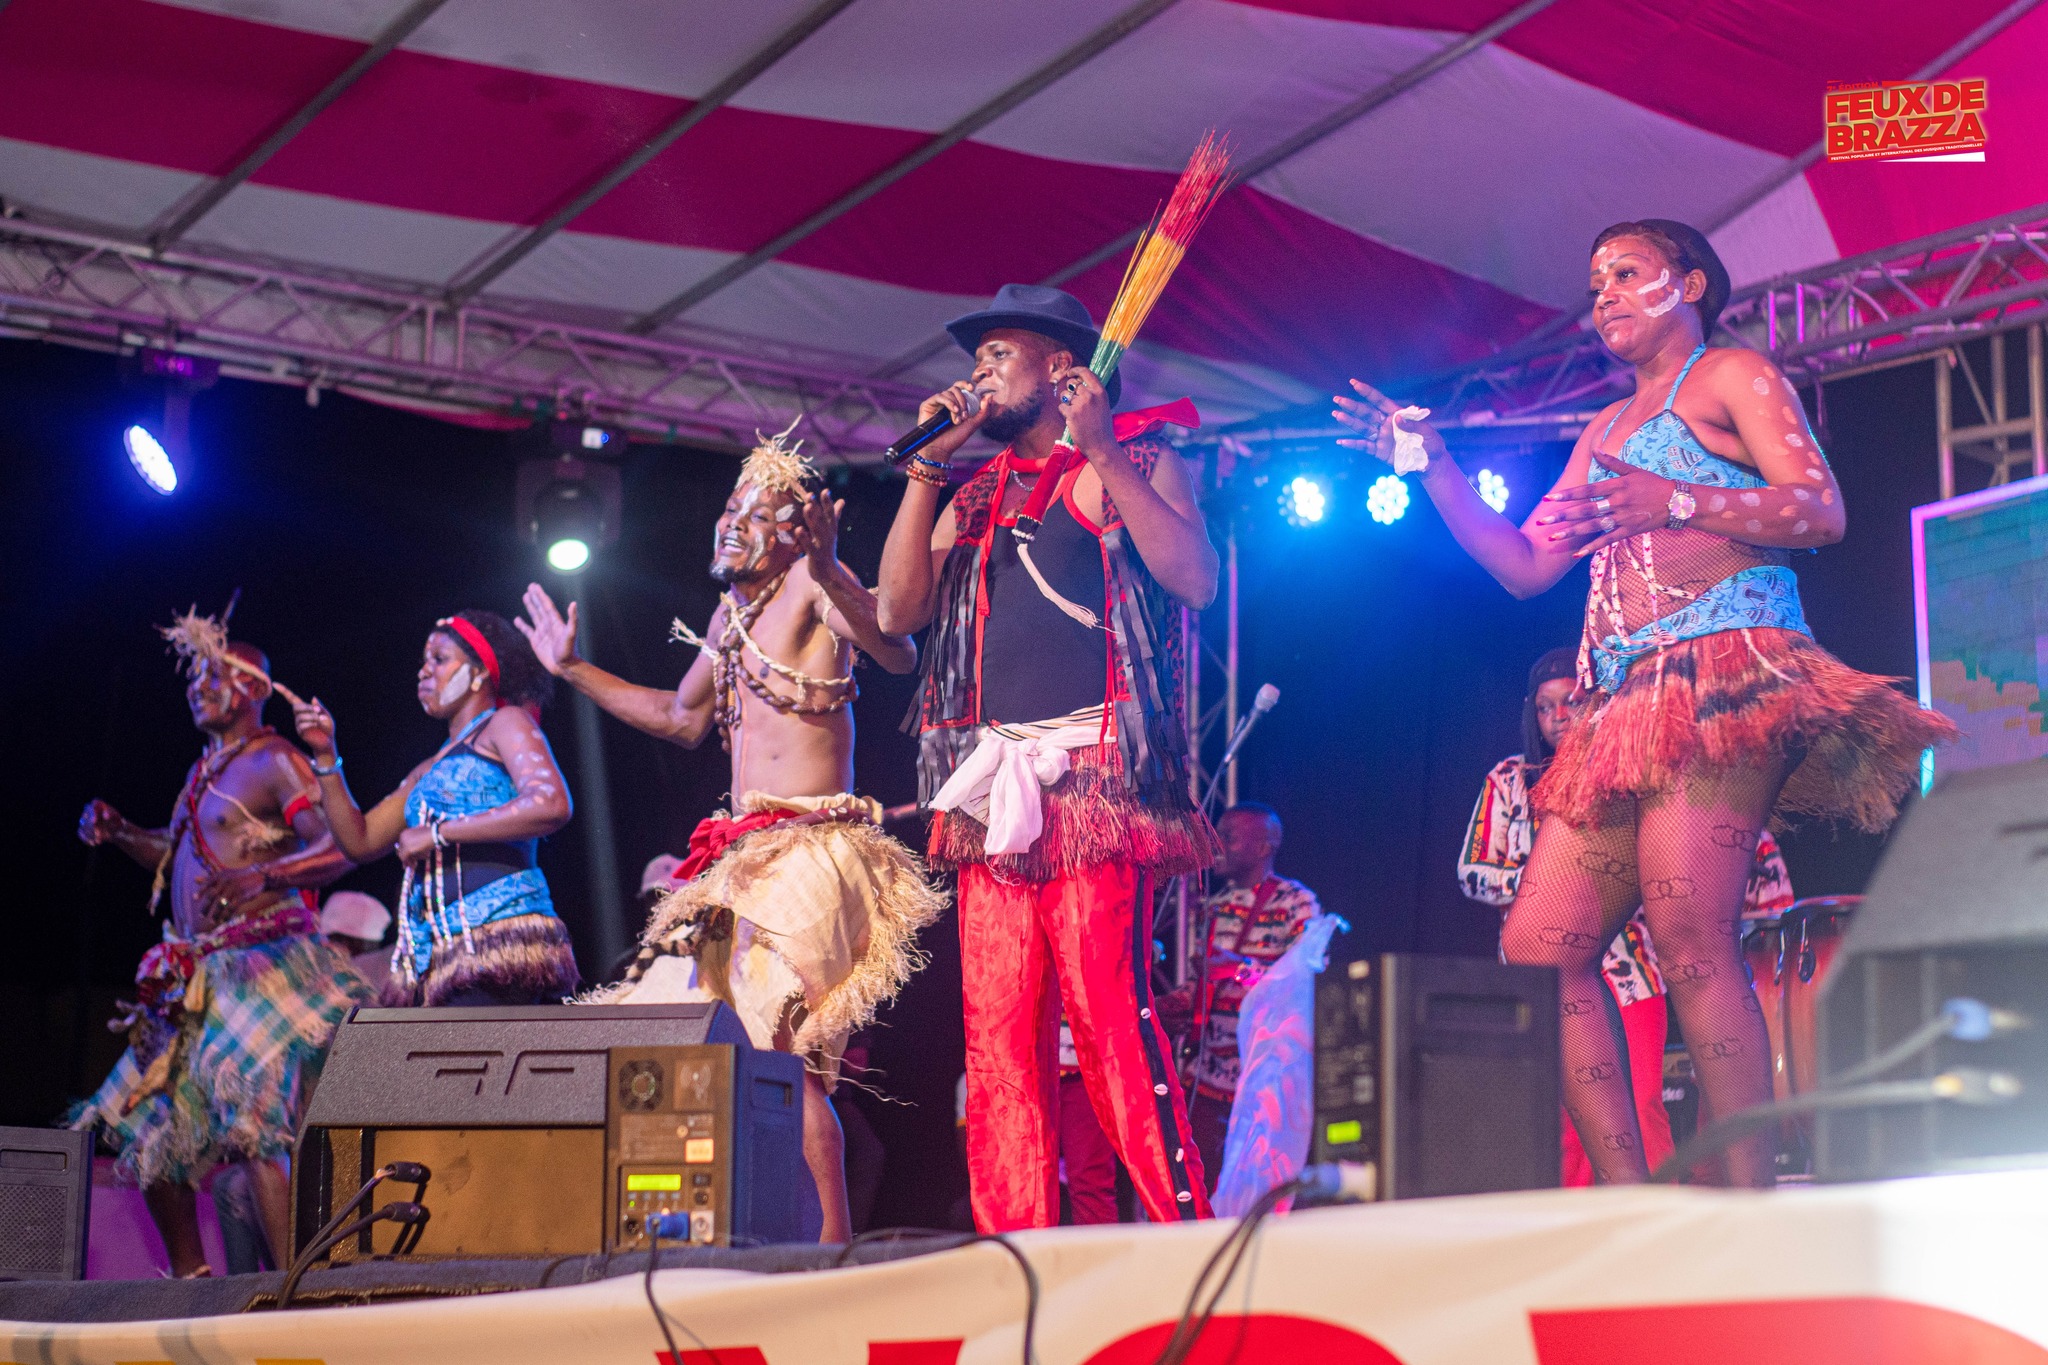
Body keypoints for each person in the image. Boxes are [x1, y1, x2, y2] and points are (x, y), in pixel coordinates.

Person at [1336, 219, 1955, 1185]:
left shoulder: (1733, 375)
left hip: (1725, 674)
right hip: (1620, 702)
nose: (1607, 296)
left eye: (1628, 273)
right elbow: (1525, 565)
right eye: (1596, 285)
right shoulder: (1600, 431)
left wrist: (1677, 500)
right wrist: (1437, 470)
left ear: (1692, 283)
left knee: (1688, 932)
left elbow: (1820, 509)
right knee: (1540, 944)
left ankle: (1748, 1200)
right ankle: (1636, 1202)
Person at [518, 428, 943, 1244]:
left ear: (794, 531)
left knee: (778, 1047)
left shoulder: (813, 584)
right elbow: (680, 717)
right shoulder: (729, 615)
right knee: (689, 1037)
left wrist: (828, 567)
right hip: (743, 859)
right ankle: (700, 1240)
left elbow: (896, 651)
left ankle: (828, 1256)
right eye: (729, 508)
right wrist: (571, 669)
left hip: (814, 850)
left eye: (757, 513)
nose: (732, 523)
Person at [875, 283, 1220, 1230]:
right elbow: (897, 611)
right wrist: (925, 468)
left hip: (1093, 780)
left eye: (999, 355)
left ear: (1061, 368)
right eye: (976, 359)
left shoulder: (1133, 460)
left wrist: (1100, 444)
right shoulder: (976, 494)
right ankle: (1013, 1248)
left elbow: (1195, 579)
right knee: (995, 1037)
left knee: (1110, 1024)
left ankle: (1183, 1236)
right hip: (994, 792)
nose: (979, 372)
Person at [72, 609, 363, 1277]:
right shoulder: (205, 771)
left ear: (253, 687)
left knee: (254, 1125)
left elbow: (340, 844)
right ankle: (192, 1287)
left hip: (264, 965)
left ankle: (295, 1293)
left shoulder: (274, 759)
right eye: (193, 677)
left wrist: (267, 874)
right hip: (196, 977)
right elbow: (177, 857)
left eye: (214, 675)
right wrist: (122, 831)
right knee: (151, 1134)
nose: (197, 686)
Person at [1458, 647, 1796, 1185]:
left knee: (1645, 1095)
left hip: (1633, 970)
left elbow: (1762, 873)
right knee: (1565, 1115)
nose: (1558, 716)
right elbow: (1472, 871)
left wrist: (1632, 882)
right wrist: (1551, 886)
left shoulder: (1635, 748)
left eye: (1569, 702)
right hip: (1552, 962)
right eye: (1544, 707)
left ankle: (1717, 1202)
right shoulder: (1509, 779)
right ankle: (1608, 1213)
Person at [292, 610, 579, 1006]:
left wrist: (439, 833)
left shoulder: (505, 723)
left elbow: (550, 803)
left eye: (440, 660)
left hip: (500, 946)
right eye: (424, 661)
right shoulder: (427, 770)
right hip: (438, 959)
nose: (424, 671)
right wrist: (326, 755)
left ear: (479, 672)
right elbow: (360, 841)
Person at [1171, 802, 1322, 1193]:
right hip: (1206, 1079)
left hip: (1263, 1081)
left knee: (1259, 1191)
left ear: (1264, 846)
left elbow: (1306, 985)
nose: (1217, 844)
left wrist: (1240, 969)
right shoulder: (1211, 908)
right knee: (1197, 1189)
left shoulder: (1296, 903)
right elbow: (1202, 986)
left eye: (1229, 837)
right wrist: (1169, 1004)